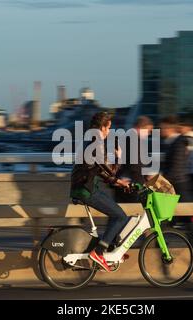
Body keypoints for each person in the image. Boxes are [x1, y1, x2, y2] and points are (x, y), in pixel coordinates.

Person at [70, 111, 131, 272]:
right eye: (109, 128)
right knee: (120, 216)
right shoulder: (96, 141)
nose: (109, 131)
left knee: (116, 213)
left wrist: (118, 182)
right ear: (103, 127)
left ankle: (109, 248)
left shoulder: (90, 139)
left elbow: (101, 171)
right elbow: (108, 170)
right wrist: (119, 157)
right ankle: (99, 252)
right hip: (86, 190)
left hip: (87, 187)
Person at [160, 115, 193, 245]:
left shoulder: (178, 143)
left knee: (184, 221)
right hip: (176, 186)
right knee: (168, 220)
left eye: (162, 128)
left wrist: (160, 181)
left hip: (179, 186)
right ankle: (160, 244)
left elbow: (176, 168)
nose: (161, 131)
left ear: (168, 127)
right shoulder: (173, 142)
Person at [115, 116, 154, 203]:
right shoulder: (134, 140)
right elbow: (136, 165)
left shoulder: (128, 138)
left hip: (126, 181)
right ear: (140, 128)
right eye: (148, 131)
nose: (148, 134)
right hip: (133, 183)